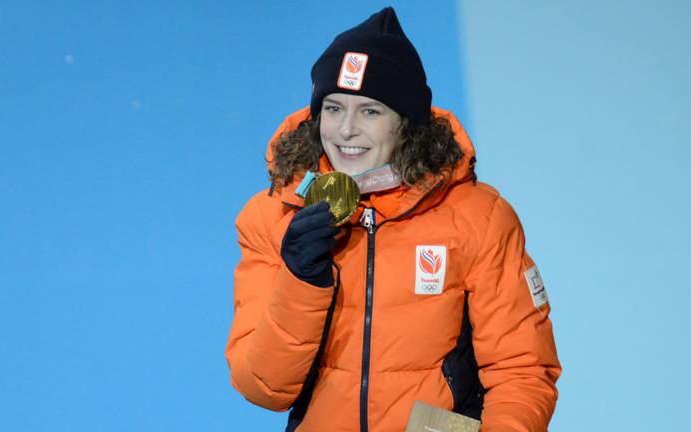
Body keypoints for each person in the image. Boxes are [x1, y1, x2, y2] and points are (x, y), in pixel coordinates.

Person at [225, 7, 561, 432]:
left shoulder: (478, 218)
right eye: (333, 108)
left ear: (405, 123)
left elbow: (524, 372)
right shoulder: (272, 217)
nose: (346, 130)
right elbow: (263, 388)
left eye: (369, 111)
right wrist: (300, 282)